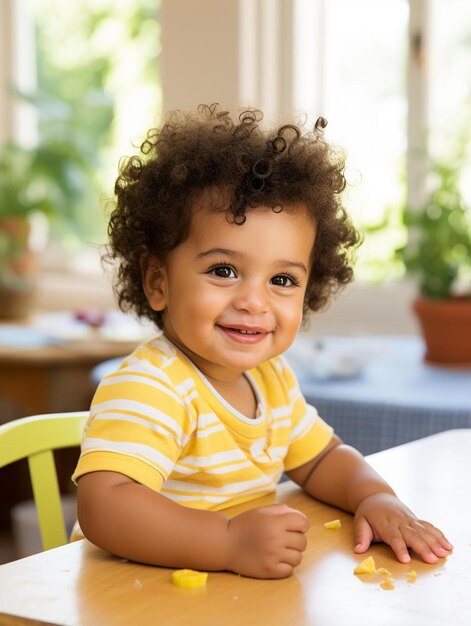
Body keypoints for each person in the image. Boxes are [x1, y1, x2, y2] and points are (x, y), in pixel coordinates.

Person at [73, 104, 453, 579]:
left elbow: (322, 459)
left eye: (283, 280)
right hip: (131, 595)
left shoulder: (270, 379)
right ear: (157, 282)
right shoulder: (153, 386)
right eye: (224, 271)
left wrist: (374, 497)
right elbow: (105, 507)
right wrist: (227, 543)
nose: (254, 301)